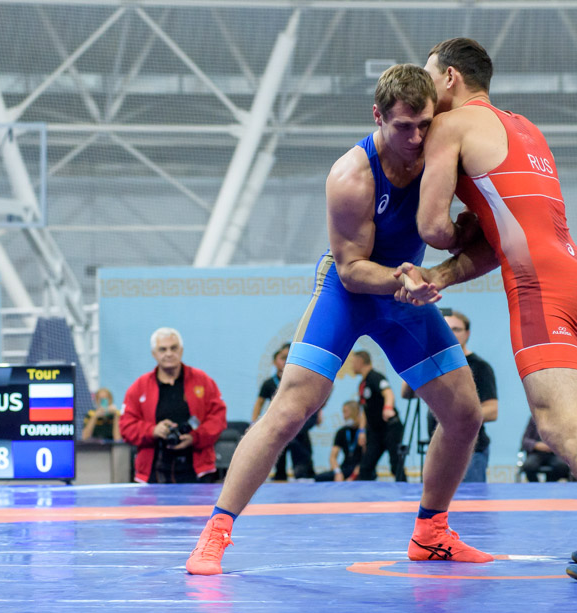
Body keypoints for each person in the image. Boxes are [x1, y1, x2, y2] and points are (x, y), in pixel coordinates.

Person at [186, 64, 490, 576]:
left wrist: (456, 245)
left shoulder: (440, 153)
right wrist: (406, 279)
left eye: (425, 125)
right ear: (378, 117)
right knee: (289, 411)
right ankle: (215, 532)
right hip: (351, 290)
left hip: (405, 291)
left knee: (465, 415)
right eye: (403, 127)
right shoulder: (351, 176)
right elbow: (351, 269)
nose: (417, 138)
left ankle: (431, 533)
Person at [394, 38, 577, 582]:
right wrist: (448, 270)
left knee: (559, 427)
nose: (424, 92)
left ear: (450, 77)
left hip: (541, 291)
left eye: (428, 75)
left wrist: (455, 235)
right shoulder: (525, 128)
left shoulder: (450, 126)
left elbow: (431, 226)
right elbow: (510, 233)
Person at [119, 327, 227, 484]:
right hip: (153, 473)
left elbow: (218, 418)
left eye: (174, 348)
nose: (169, 353)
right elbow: (126, 426)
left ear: (181, 351)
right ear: (154, 353)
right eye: (162, 349)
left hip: (198, 472)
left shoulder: (203, 381)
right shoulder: (139, 387)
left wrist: (195, 437)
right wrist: (153, 431)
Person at [418, 310, 497, 482]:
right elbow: (407, 393)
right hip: (438, 449)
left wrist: (456, 419)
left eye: (456, 329)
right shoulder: (435, 364)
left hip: (470, 451)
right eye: (446, 329)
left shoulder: (480, 367)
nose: (451, 334)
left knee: (470, 498)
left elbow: (492, 411)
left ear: (467, 333)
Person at [253, 343, 315, 480]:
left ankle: (304, 476)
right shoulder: (269, 383)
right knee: (278, 458)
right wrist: (254, 422)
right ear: (275, 361)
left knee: (302, 455)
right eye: (283, 358)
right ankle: (279, 477)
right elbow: (259, 403)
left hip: (299, 426)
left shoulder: (299, 380)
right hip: (279, 426)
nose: (286, 361)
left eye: (289, 357)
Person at [349, 350, 406, 482]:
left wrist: (387, 408)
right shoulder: (362, 384)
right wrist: (362, 431)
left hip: (390, 428)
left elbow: (388, 393)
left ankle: (405, 492)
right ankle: (364, 494)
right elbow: (365, 409)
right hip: (375, 431)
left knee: (395, 464)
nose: (351, 366)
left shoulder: (376, 377)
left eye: (353, 362)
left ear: (360, 362)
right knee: (365, 467)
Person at [315, 400, 362, 482]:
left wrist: (353, 477)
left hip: (360, 469)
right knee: (319, 478)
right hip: (346, 468)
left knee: (365, 474)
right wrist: (338, 472)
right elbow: (333, 457)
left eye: (346, 412)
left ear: (355, 412)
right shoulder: (341, 432)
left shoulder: (364, 433)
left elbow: (366, 458)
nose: (344, 416)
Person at [520, 416, 571, 482]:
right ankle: (536, 485)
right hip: (537, 453)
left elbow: (566, 440)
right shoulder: (534, 419)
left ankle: (550, 482)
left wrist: (555, 446)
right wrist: (536, 445)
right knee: (528, 466)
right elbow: (525, 440)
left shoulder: (561, 419)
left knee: (562, 466)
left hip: (554, 454)